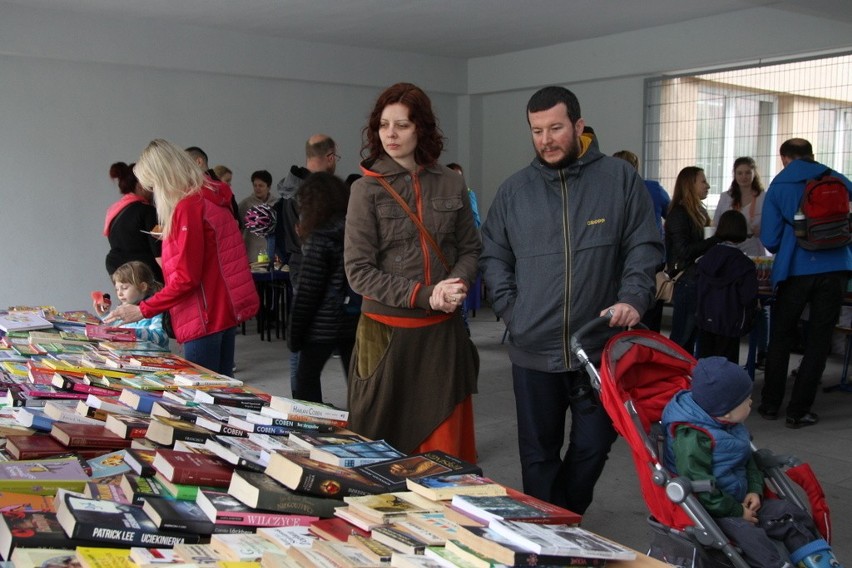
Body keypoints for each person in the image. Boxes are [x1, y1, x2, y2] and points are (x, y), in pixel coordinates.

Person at [479, 86, 661, 514]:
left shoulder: (618, 180)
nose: (546, 139)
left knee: (594, 446)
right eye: (537, 130)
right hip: (533, 348)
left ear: (579, 127)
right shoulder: (514, 192)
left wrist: (634, 296)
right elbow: (493, 256)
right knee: (538, 455)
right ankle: (549, 537)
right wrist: (511, 310)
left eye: (555, 128)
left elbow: (643, 245)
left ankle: (564, 516)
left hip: (599, 348)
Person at [344, 82, 480, 462]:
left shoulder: (451, 181)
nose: (391, 134)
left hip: (441, 336)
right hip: (385, 335)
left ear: (420, 128)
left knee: (441, 453)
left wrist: (458, 282)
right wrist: (425, 294)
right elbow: (359, 272)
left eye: (402, 125)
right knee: (376, 450)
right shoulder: (364, 191)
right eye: (384, 125)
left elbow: (471, 248)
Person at [661, 357, 835, 568]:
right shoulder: (692, 438)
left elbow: (746, 457)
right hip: (712, 509)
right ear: (725, 412)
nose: (751, 402)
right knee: (754, 539)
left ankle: (818, 561)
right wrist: (736, 511)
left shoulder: (729, 422)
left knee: (790, 513)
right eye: (746, 400)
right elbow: (700, 487)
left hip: (742, 497)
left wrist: (754, 489)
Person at [105, 139, 259, 376]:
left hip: (203, 316)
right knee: (222, 397)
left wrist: (142, 309)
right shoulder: (210, 198)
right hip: (222, 312)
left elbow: (186, 278)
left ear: (163, 178)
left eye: (154, 185)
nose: (154, 193)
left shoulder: (189, 208)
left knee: (204, 400)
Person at [757, 138, 852, 428]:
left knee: (782, 336)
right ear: (812, 155)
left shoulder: (780, 185)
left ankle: (771, 405)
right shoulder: (837, 178)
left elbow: (770, 238)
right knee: (819, 339)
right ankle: (799, 411)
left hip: (795, 270)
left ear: (785, 158)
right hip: (836, 267)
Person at [287, 172, 358, 403]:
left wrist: (294, 335)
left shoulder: (319, 238)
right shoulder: (355, 231)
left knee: (306, 382)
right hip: (354, 319)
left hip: (321, 325)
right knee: (358, 385)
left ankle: (311, 429)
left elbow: (308, 292)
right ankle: (363, 428)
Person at [275, 134, 340, 383]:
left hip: (298, 263)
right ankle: (302, 402)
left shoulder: (291, 188)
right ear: (330, 157)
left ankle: (306, 400)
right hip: (311, 267)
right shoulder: (311, 192)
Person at [613, 150, 671, 332]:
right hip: (648, 256)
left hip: (616, 258)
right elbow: (671, 214)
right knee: (647, 314)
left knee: (616, 314)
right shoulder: (653, 188)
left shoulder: (607, 191)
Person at [666, 166, 719, 355]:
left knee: (693, 337)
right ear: (690, 184)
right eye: (703, 181)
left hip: (698, 280)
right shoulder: (679, 214)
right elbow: (683, 251)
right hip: (688, 282)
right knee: (682, 339)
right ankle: (674, 380)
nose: (708, 186)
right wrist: (716, 239)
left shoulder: (698, 213)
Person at [696, 210, 758, 364]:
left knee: (705, 362)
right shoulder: (744, 264)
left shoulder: (706, 258)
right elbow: (748, 297)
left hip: (705, 319)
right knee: (726, 366)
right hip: (731, 322)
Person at [103, 162, 163, 282]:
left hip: (121, 275)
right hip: (146, 276)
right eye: (150, 184)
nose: (153, 189)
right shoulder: (147, 210)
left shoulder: (114, 212)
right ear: (140, 185)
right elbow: (159, 254)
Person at [94, 260, 168, 349]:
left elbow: (161, 337)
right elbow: (115, 328)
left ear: (143, 287)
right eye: (117, 289)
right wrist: (105, 314)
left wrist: (131, 333)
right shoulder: (122, 307)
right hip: (130, 356)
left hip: (153, 359)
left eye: (124, 288)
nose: (119, 293)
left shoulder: (154, 308)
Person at [713, 157, 767, 257]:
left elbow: (770, 222)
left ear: (754, 173)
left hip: (752, 243)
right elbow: (716, 222)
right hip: (728, 245)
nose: (744, 177)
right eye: (740, 173)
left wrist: (762, 231)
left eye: (748, 173)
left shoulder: (763, 197)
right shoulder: (726, 197)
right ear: (734, 174)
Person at [238, 170, 276, 262]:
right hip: (251, 254)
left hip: (272, 253)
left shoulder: (276, 204)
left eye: (261, 185)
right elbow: (239, 229)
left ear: (269, 187)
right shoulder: (245, 204)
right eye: (255, 185)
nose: (257, 188)